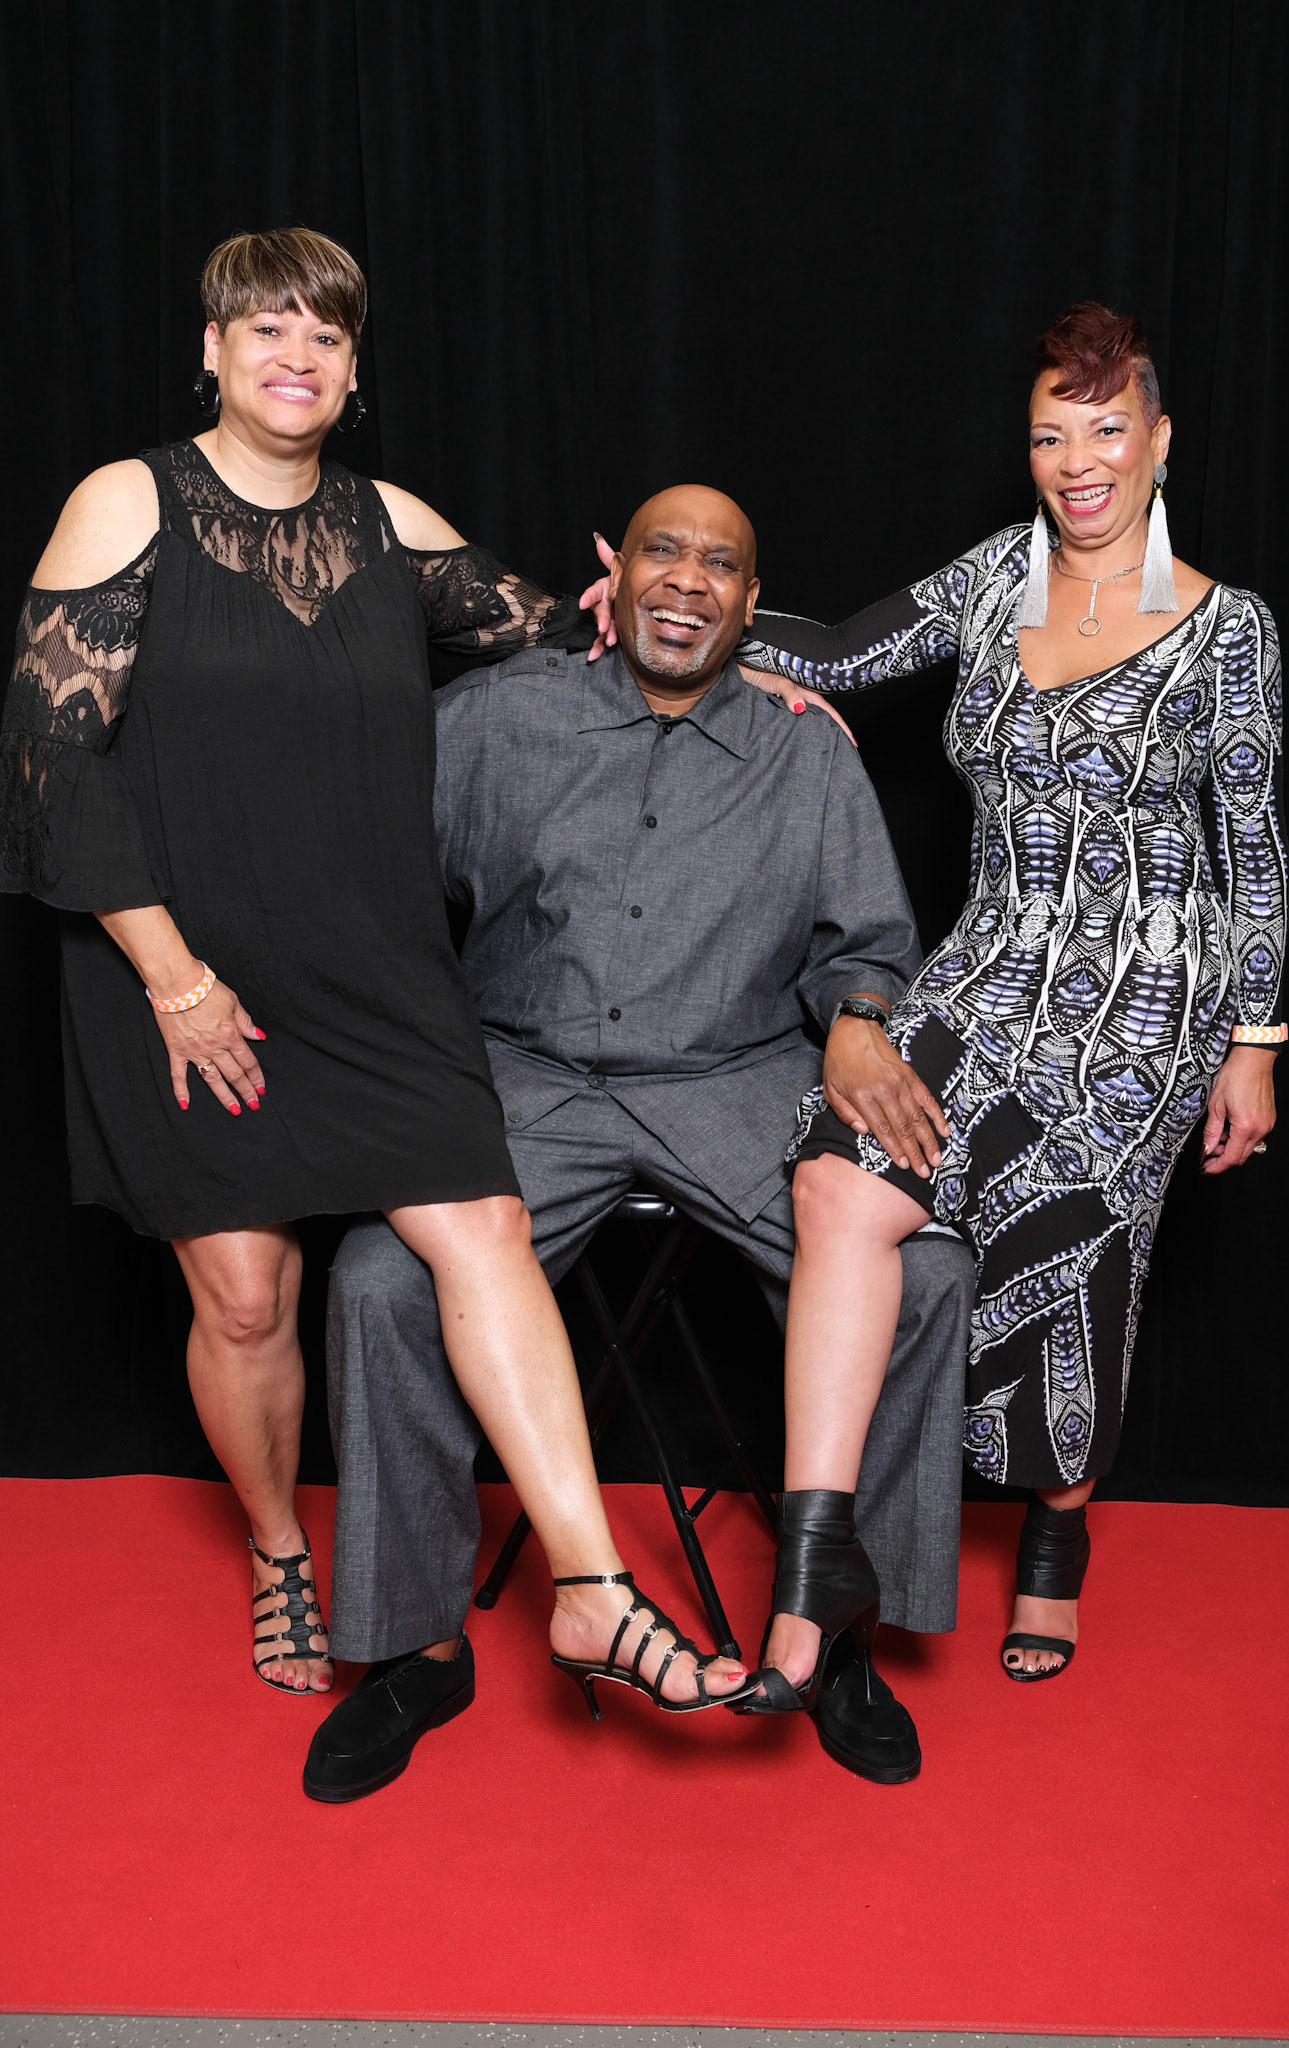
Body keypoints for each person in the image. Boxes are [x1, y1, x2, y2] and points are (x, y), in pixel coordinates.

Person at [0, 226, 753, 1719]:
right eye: (268, 328)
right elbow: (47, 764)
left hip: (370, 964)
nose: (298, 356)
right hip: (178, 966)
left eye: (327, 335)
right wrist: (175, 980)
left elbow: (577, 635)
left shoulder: (389, 524)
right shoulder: (126, 503)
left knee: (485, 1225)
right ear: (213, 350)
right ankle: (281, 1547)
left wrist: (743, 657)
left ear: (354, 370)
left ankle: (590, 1591)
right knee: (246, 1302)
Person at [308, 484, 976, 1801]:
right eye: (662, 551)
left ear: (750, 602)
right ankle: (415, 1648)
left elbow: (867, 944)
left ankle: (840, 1629)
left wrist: (857, 1020)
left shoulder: (804, 750)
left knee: (924, 1278)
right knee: (379, 1282)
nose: (687, 579)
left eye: (718, 564)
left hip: (736, 1078)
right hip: (525, 1078)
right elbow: (371, 883)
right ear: (614, 575)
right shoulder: (496, 718)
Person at [738, 303, 1286, 1684]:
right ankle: (822, 1543)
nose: (1077, 462)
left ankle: (1055, 1530)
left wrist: (1255, 1040)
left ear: (1159, 440)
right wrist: (679, 607)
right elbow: (839, 655)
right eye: (1050, 436)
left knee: (1075, 1259)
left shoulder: (1228, 629)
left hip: (1148, 1000)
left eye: (1105, 429)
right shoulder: (996, 577)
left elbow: (1253, 847)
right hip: (985, 966)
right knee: (840, 1179)